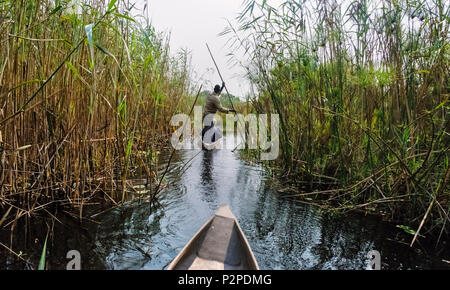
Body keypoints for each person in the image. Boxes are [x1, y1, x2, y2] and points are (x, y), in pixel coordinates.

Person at [201, 82, 236, 146]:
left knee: (208, 128)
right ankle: (207, 142)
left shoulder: (210, 94)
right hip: (208, 117)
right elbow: (221, 109)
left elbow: (218, 94)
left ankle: (205, 141)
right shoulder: (216, 99)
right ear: (219, 91)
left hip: (205, 115)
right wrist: (230, 110)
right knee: (213, 132)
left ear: (214, 89)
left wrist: (222, 87)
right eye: (220, 91)